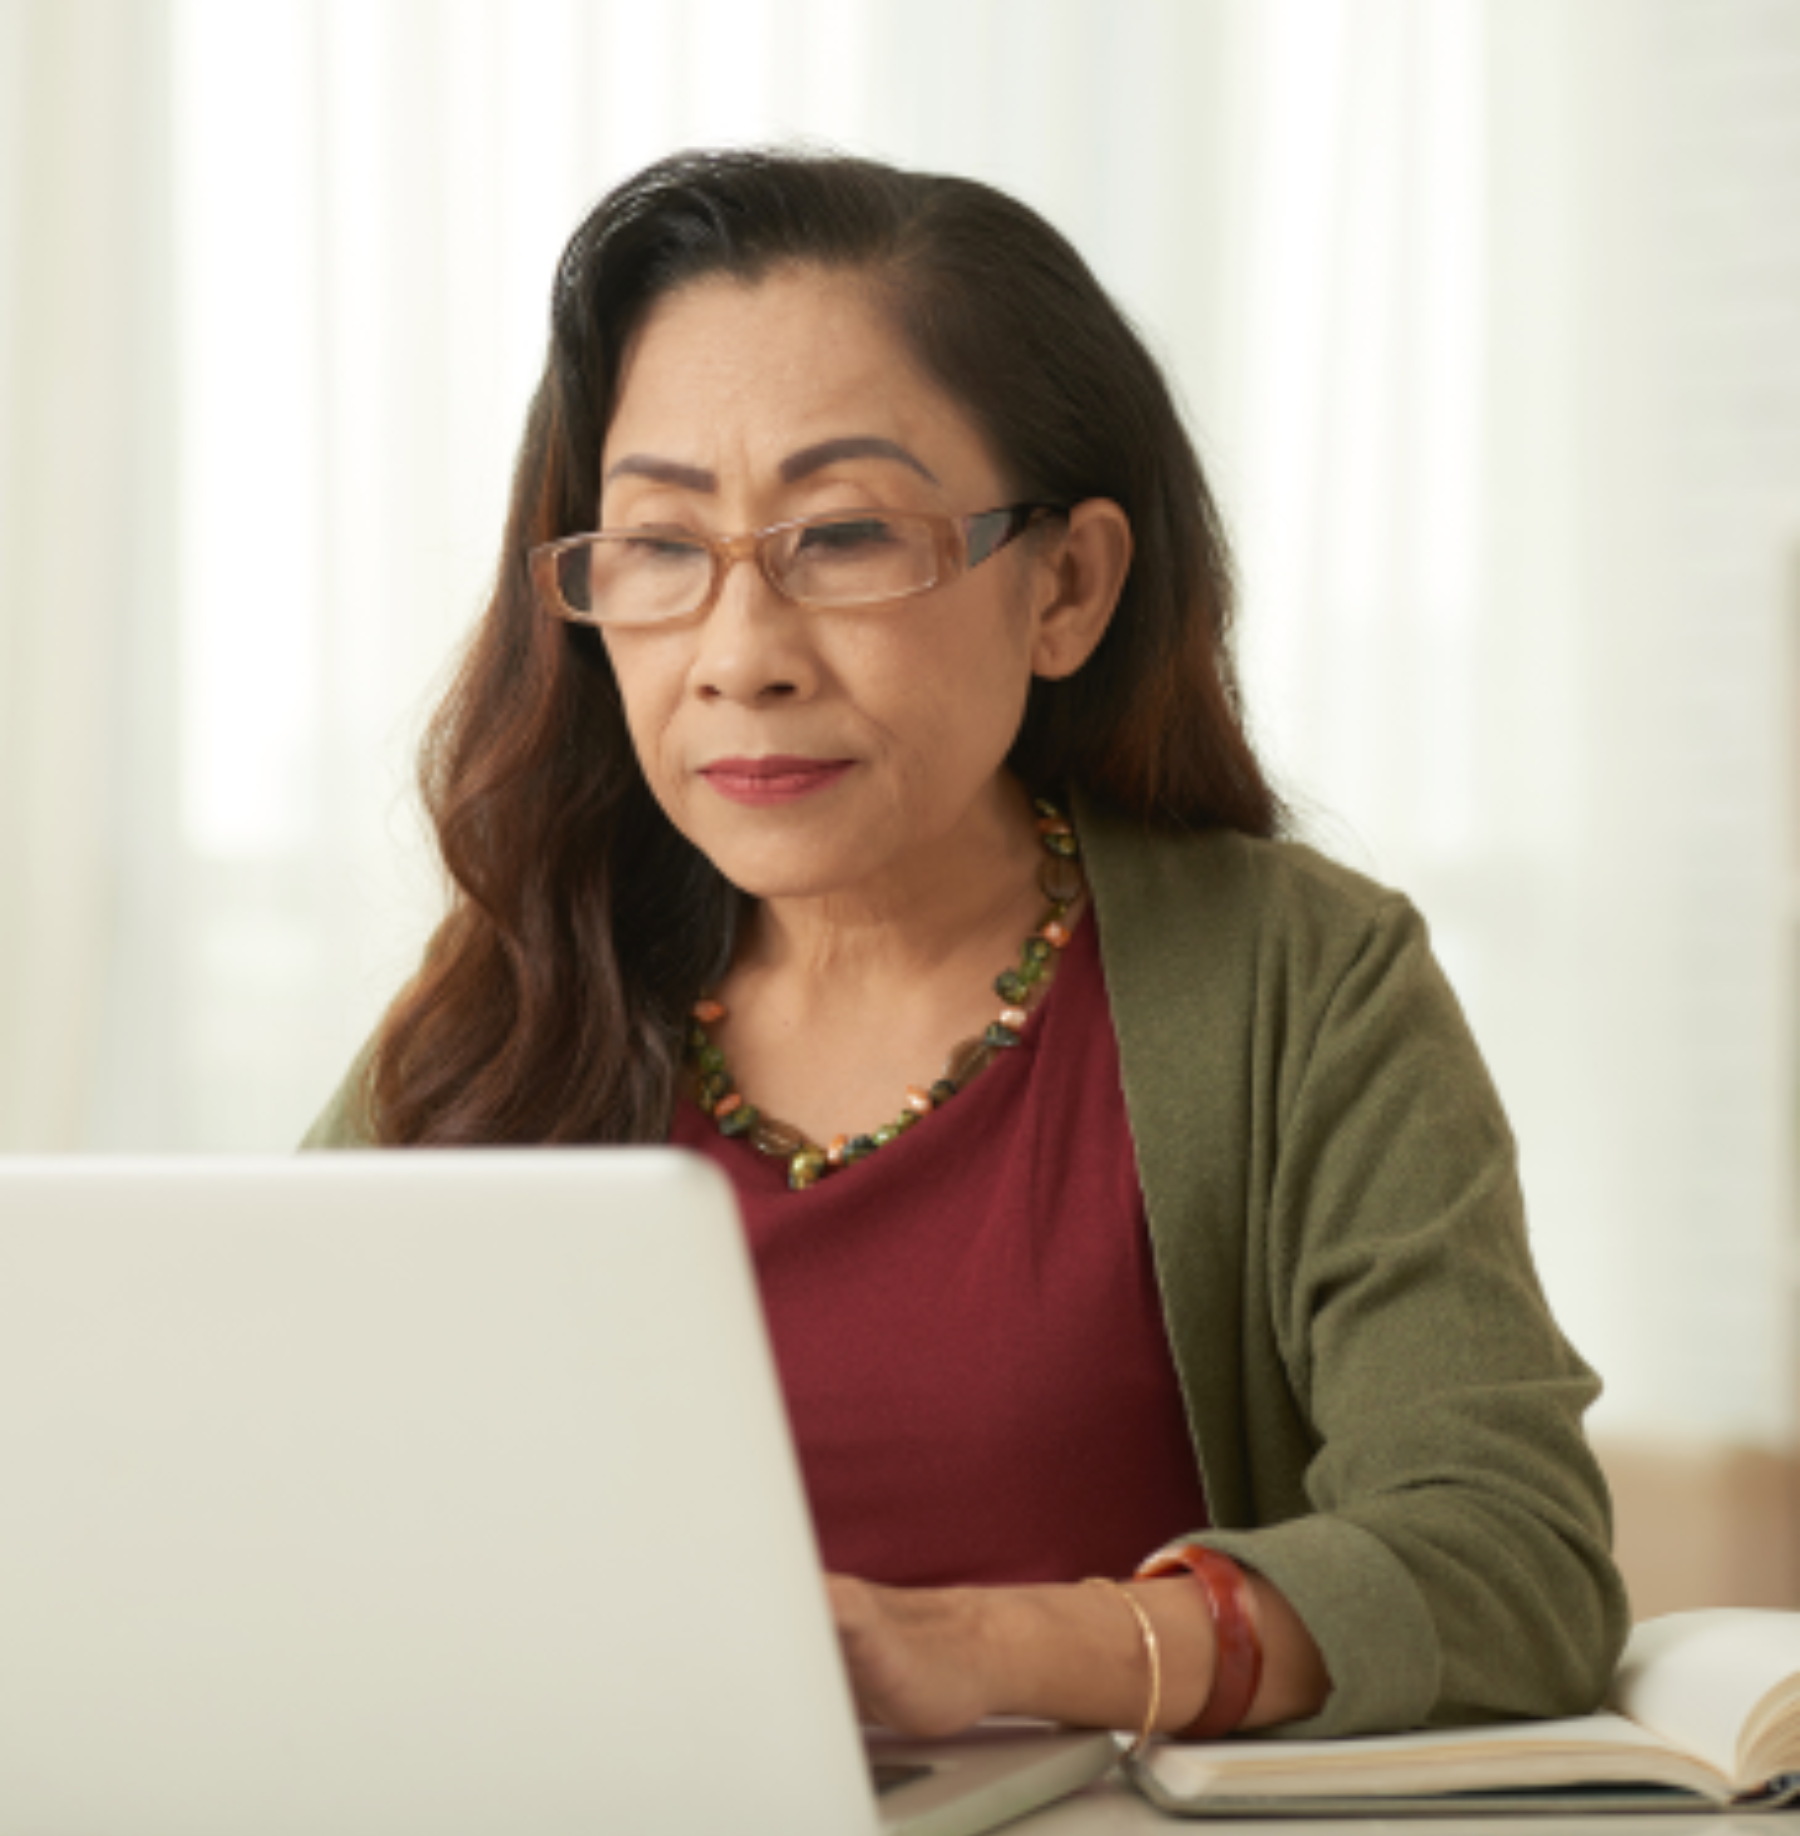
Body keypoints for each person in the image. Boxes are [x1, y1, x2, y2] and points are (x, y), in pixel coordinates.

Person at [304, 147, 1628, 1748]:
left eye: (845, 535)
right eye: (659, 546)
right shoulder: (513, 1001)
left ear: (1064, 587)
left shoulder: (1299, 978)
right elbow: (247, 1493)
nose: (740, 657)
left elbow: (1510, 1559)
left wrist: (989, 1649)